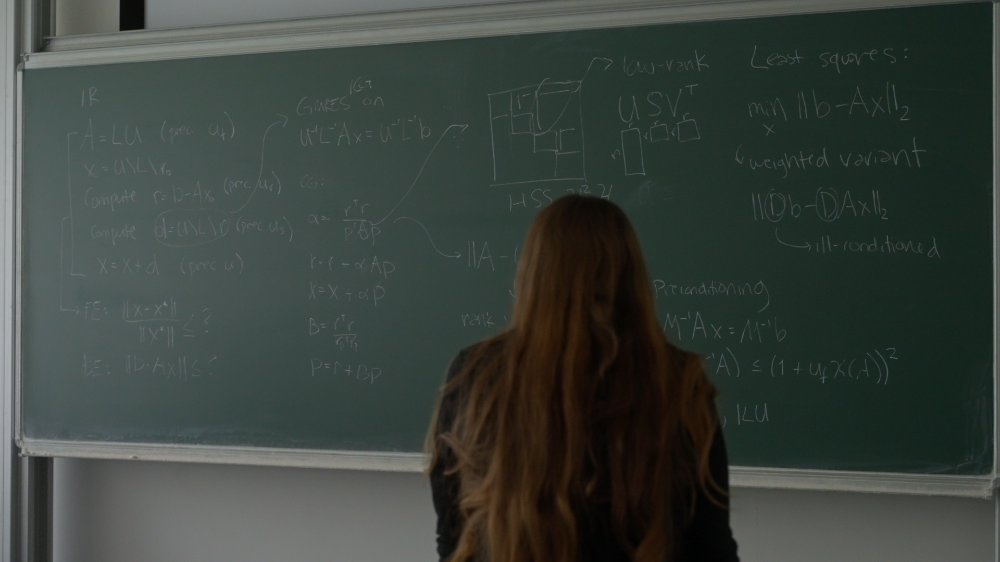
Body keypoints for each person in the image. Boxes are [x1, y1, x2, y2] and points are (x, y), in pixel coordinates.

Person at [427, 195, 739, 562]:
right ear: (629, 276)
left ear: (533, 272)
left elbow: (453, 540)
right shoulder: (677, 381)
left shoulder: (477, 375)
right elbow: (712, 547)